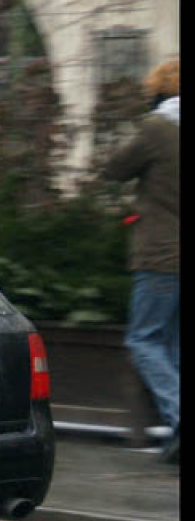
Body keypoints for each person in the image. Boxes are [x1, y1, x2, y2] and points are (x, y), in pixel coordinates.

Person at [102, 59, 180, 464]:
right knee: (174, 346)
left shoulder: (157, 129)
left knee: (144, 340)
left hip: (162, 255)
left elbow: (114, 168)